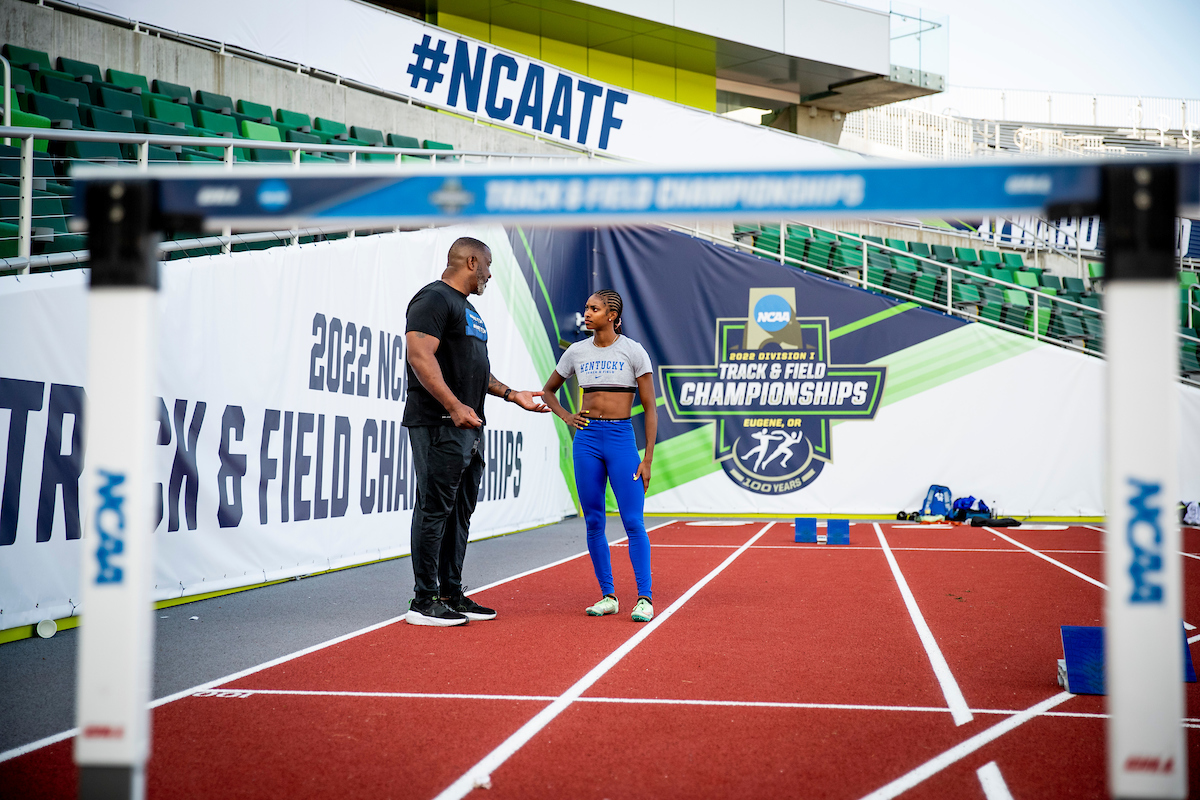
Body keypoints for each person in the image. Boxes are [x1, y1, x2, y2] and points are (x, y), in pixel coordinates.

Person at [403, 237, 549, 627]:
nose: (489, 275)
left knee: (460, 511)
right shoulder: (433, 299)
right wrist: (453, 406)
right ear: (471, 261)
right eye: (487, 265)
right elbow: (419, 355)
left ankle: (451, 593)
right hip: (439, 423)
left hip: (470, 425)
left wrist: (511, 393)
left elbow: (476, 368)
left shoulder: (469, 311)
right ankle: (424, 600)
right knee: (434, 508)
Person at [540, 289, 658, 622]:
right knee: (594, 520)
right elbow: (549, 391)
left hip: (622, 439)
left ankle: (644, 598)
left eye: (594, 308)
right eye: (586, 307)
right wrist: (567, 417)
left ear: (611, 315)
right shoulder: (576, 351)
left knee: (633, 521)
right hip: (587, 440)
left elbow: (650, 409)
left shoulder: (633, 351)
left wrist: (647, 459)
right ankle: (608, 596)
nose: (586, 313)